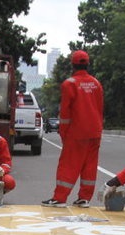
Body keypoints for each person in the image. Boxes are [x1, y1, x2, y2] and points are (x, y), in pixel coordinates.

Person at [42, 50, 104, 208]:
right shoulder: (96, 83)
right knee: (90, 165)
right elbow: (100, 107)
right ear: (88, 64)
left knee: (69, 164)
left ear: (72, 64)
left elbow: (65, 113)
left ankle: (60, 198)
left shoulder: (69, 84)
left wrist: (63, 133)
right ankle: (84, 198)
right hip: (95, 131)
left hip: (77, 132)